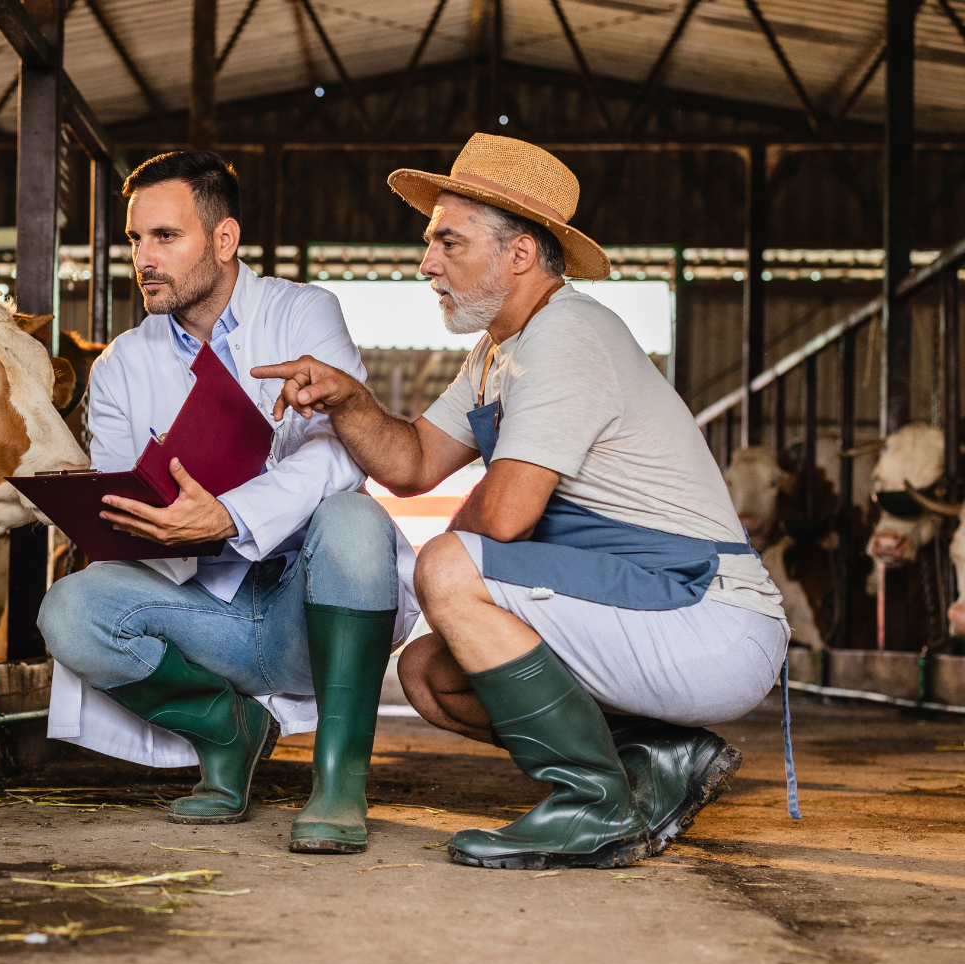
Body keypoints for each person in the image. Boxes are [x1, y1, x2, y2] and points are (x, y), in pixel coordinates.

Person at [252, 134, 789, 871]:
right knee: (431, 676)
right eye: (429, 242)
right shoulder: (498, 351)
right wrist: (347, 400)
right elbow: (412, 461)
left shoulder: (566, 338)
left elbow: (502, 521)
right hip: (653, 609)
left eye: (448, 241)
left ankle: (594, 803)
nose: (427, 262)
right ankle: (657, 757)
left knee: (450, 567)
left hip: (707, 617)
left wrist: (423, 579)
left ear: (520, 255)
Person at [37, 151, 418, 854]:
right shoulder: (121, 363)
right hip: (203, 614)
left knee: (355, 517)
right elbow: (127, 498)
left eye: (165, 237)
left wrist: (232, 514)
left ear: (222, 240)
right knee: (69, 608)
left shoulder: (303, 313)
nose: (143, 259)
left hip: (310, 612)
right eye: (135, 239)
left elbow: (340, 453)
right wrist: (105, 506)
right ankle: (227, 730)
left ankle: (338, 781)